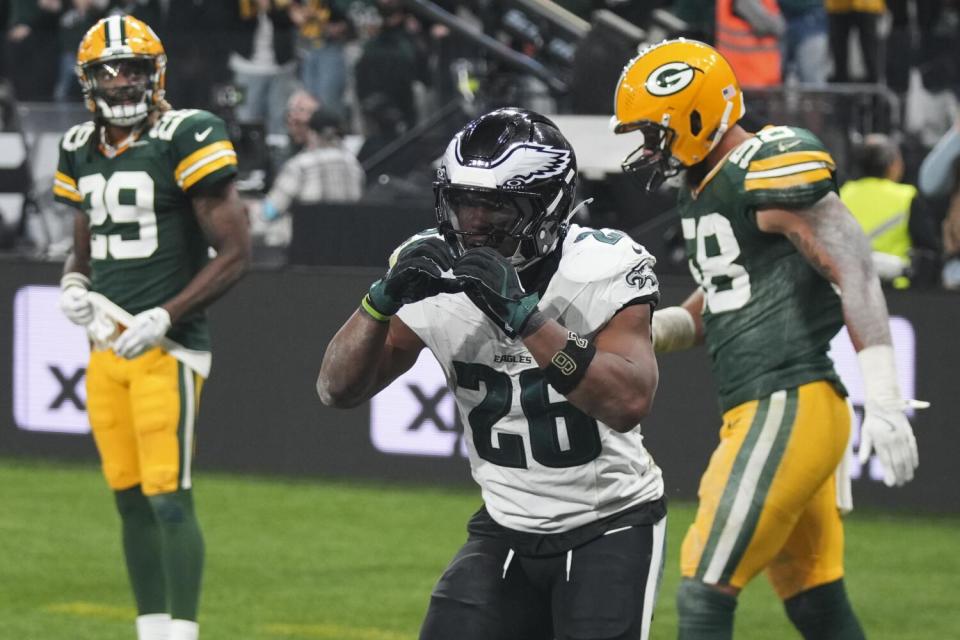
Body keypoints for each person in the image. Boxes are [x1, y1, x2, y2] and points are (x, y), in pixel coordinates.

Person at [318, 107, 666, 640]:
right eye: (462, 204)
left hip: (608, 521)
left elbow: (626, 402)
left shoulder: (601, 266)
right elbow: (335, 389)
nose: (473, 225)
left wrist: (524, 317)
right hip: (505, 522)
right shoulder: (436, 273)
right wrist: (379, 301)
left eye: (495, 209)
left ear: (548, 208)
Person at [612, 39, 920, 640]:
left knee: (703, 583)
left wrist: (884, 394)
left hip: (788, 400)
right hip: (776, 404)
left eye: (655, 131)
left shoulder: (767, 160)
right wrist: (648, 329)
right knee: (814, 597)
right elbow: (720, 298)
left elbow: (851, 264)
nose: (648, 149)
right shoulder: (704, 187)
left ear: (694, 114)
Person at [53, 14, 250, 640]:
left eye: (132, 68)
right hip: (106, 346)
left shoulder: (186, 133)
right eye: (107, 72)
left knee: (168, 495)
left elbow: (237, 251)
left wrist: (168, 313)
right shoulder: (78, 145)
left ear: (154, 72)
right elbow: (81, 247)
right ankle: (151, 627)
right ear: (88, 81)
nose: (120, 82)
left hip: (169, 346)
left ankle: (182, 632)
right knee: (128, 496)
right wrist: (74, 285)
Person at [260, 106, 364, 224]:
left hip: (308, 238)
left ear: (312, 133)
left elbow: (269, 212)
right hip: (346, 238)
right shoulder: (354, 165)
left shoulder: (300, 165)